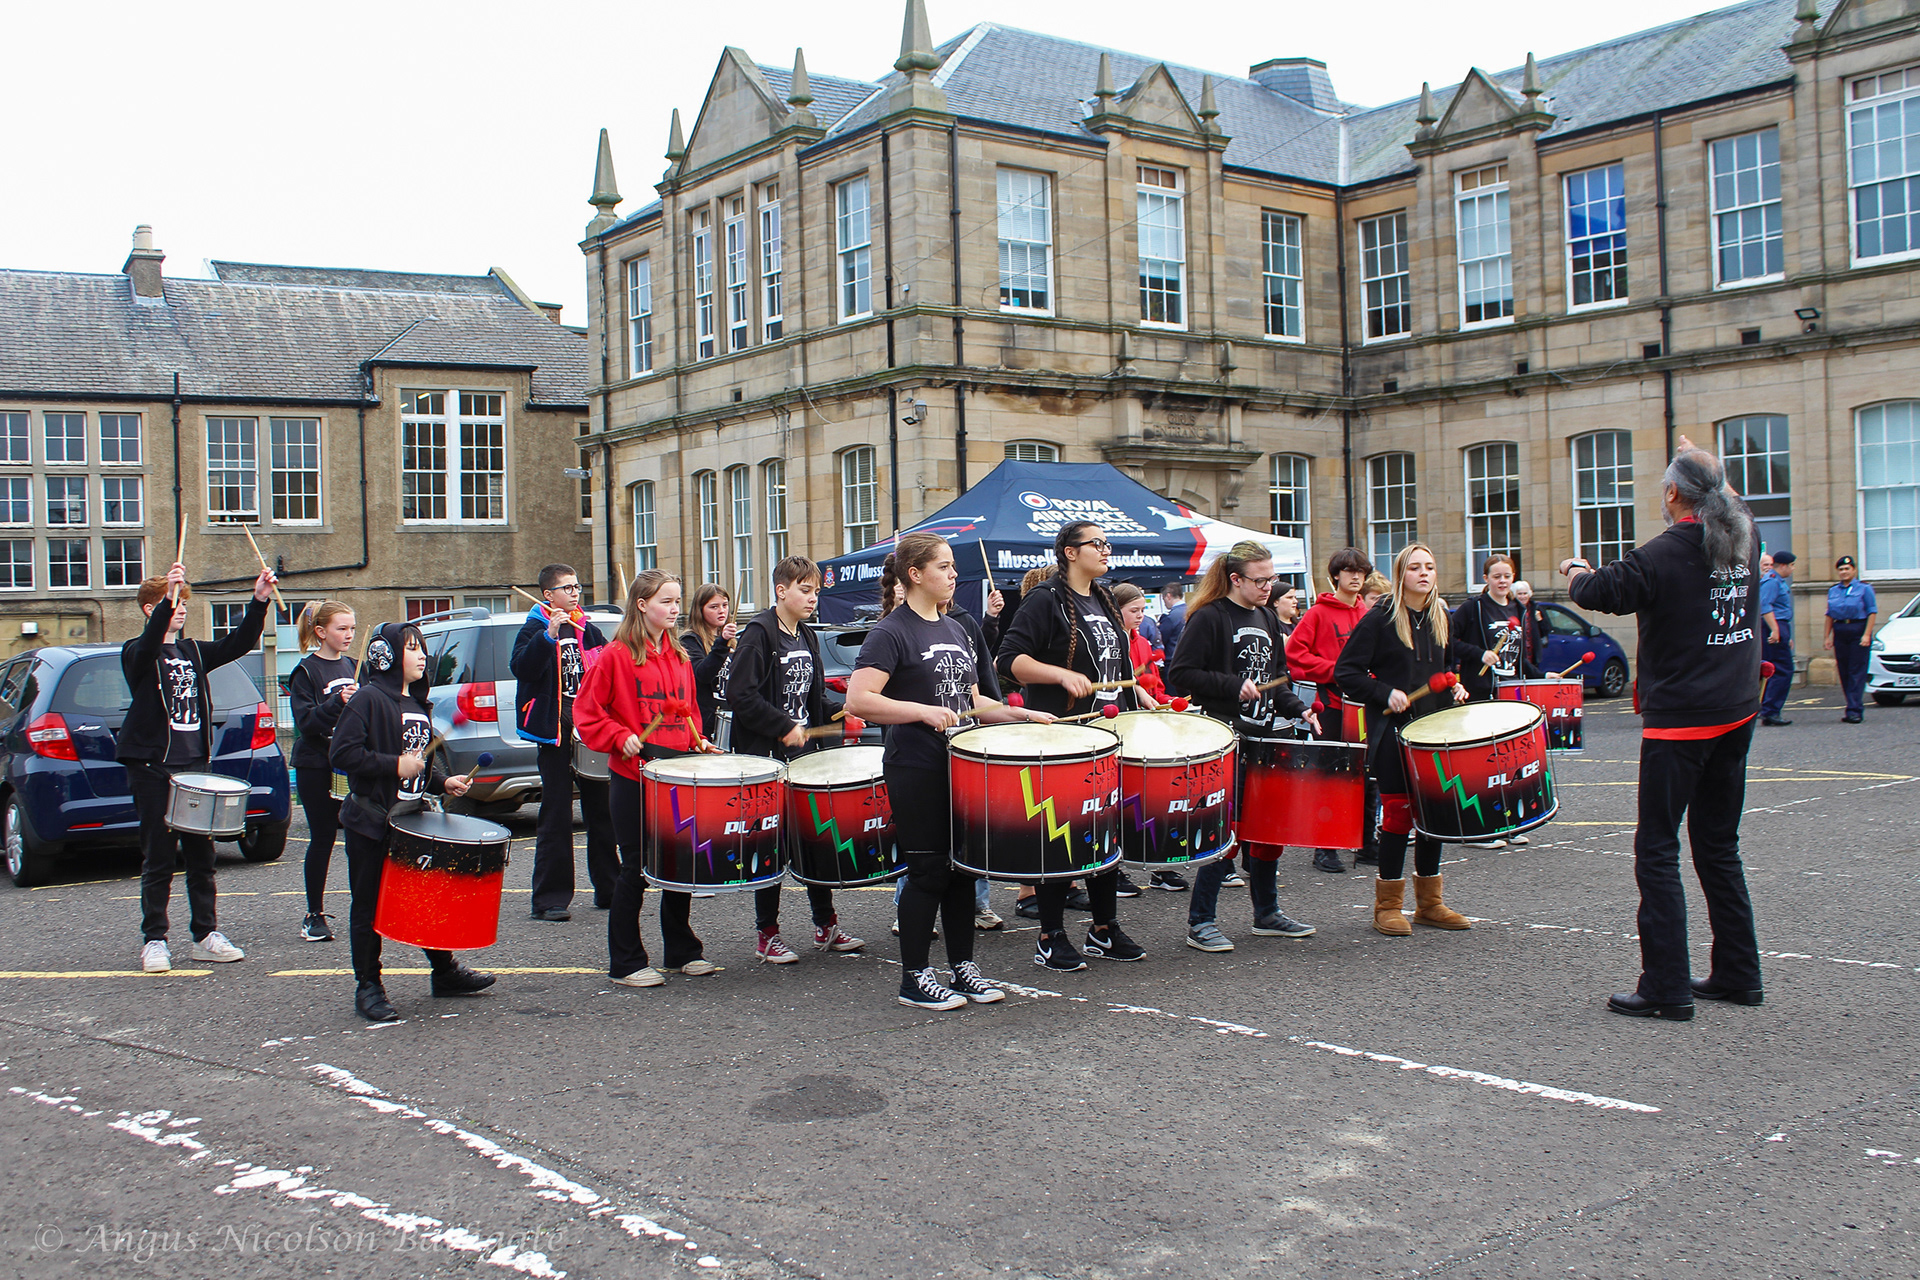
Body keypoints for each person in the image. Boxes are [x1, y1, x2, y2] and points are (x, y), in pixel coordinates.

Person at [1562, 439, 1765, 1020]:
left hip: (1683, 722)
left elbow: (1597, 591)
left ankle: (1666, 986)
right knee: (1719, 846)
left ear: (1672, 493)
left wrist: (1575, 570)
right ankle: (1738, 973)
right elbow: (1733, 501)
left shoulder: (1662, 553)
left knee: (1656, 850)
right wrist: (1709, 466)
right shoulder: (1745, 535)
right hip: (1736, 710)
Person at [848, 532, 1040, 1009]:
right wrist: (920, 711)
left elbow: (973, 701)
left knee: (961, 871)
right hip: (916, 766)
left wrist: (1019, 714)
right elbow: (859, 699)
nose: (954, 574)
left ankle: (963, 968)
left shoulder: (956, 628)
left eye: (953, 566)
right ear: (915, 574)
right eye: (944, 566)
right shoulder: (891, 631)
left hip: (962, 767)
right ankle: (914, 978)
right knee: (928, 871)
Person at [995, 521, 1149, 969]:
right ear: (1069, 552)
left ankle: (1103, 929)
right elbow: (1009, 660)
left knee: (1104, 834)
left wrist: (1136, 694)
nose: (1105, 550)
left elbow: (1115, 666)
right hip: (1062, 737)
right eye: (1096, 544)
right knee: (1061, 837)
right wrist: (1060, 674)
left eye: (1106, 543)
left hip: (1107, 736)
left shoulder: (1104, 598)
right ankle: (1051, 935)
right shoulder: (1045, 600)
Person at [330, 622, 494, 1021]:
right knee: (368, 906)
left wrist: (443, 781)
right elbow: (342, 754)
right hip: (372, 822)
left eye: (422, 648)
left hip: (411, 820)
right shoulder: (368, 699)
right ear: (385, 657)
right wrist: (393, 765)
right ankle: (368, 985)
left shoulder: (418, 703)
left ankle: (444, 972)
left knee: (426, 899)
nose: (422, 655)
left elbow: (418, 764)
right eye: (411, 648)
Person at [1167, 541, 1322, 952]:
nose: (1269, 586)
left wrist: (1300, 710)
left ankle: (1267, 913)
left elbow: (1278, 679)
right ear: (1235, 579)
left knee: (1269, 828)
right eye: (1261, 580)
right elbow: (1181, 673)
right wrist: (1232, 685)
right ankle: (1200, 922)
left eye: (1272, 578)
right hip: (1225, 738)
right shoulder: (1209, 617)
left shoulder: (1268, 617)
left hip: (1266, 737)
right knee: (1226, 832)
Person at [121, 562, 274, 973]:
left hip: (193, 765)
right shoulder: (136, 652)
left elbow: (238, 643)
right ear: (151, 609)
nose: (183, 608)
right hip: (153, 766)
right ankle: (154, 940)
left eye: (185, 602)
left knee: (201, 855)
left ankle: (205, 935)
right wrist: (165, 602)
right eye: (175, 602)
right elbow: (148, 645)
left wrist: (258, 600)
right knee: (159, 855)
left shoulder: (191, 651)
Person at [1336, 543, 1494, 939]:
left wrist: (1455, 685)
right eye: (1415, 567)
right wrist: (1384, 692)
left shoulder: (1441, 616)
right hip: (1393, 731)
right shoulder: (1380, 619)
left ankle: (1429, 903)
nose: (1424, 573)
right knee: (1399, 815)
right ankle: (1387, 906)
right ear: (1401, 574)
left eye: (1430, 566)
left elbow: (1445, 666)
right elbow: (1346, 672)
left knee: (1433, 815)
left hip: (1434, 730)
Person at [575, 569, 723, 987]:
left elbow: (689, 712)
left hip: (676, 776)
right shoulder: (616, 655)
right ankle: (626, 962)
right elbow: (587, 712)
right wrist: (618, 736)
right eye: (666, 602)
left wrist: (698, 741)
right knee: (635, 869)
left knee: (679, 865)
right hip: (634, 777)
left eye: (677, 601)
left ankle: (681, 950)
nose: (675, 609)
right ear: (642, 605)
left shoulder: (679, 656)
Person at [724, 555, 863, 962]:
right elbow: (740, 695)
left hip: (805, 758)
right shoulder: (759, 633)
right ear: (781, 591)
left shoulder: (806, 635)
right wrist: (782, 725)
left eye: (816, 591)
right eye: (805, 590)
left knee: (814, 840)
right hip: (767, 759)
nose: (813, 598)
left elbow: (812, 698)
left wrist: (841, 710)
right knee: (770, 845)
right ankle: (767, 935)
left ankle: (826, 925)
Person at [510, 564, 616, 922]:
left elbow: (607, 668)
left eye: (577, 587)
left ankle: (609, 888)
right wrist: (548, 636)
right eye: (567, 588)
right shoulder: (534, 628)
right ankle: (550, 899)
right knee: (556, 813)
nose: (574, 593)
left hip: (587, 728)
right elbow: (522, 669)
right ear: (548, 595)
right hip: (554, 729)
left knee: (601, 810)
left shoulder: (588, 628)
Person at [1287, 548, 1375, 873]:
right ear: (1336, 575)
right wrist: (1335, 671)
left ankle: (1366, 842)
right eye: (1349, 571)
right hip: (1332, 706)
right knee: (1330, 776)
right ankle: (1325, 848)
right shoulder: (1317, 614)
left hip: (1365, 705)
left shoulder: (1368, 614)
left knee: (1368, 775)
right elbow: (1294, 655)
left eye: (1361, 572)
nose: (1356, 577)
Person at [1451, 553, 1545, 850]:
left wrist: (1543, 675)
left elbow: (1518, 657)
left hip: (1509, 693)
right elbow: (1448, 641)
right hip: (1480, 692)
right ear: (1486, 579)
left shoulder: (1519, 608)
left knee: (1509, 761)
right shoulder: (1473, 608)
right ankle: (1477, 830)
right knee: (1483, 764)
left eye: (1507, 576)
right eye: (1497, 576)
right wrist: (1479, 654)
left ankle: (1508, 824)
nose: (1503, 581)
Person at [288, 599, 358, 942]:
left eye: (352, 628)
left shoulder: (355, 666)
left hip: (350, 764)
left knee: (359, 836)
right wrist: (336, 702)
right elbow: (306, 722)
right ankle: (313, 914)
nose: (349, 634)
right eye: (341, 628)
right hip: (316, 764)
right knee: (323, 836)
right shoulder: (306, 671)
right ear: (320, 631)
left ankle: (366, 907)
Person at [1826, 556, 1878, 724]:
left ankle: (1854, 710)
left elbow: (1872, 612)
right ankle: (1851, 705)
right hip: (1840, 630)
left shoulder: (1864, 589)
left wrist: (1867, 634)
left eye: (1847, 569)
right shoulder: (1834, 590)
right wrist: (1827, 636)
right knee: (1844, 671)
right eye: (1841, 569)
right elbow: (1829, 615)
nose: (1844, 572)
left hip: (1858, 629)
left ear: (1854, 570)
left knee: (1857, 671)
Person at [682, 584, 737, 742]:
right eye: (714, 607)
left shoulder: (734, 642)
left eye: (724, 605)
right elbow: (702, 674)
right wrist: (722, 644)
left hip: (730, 719)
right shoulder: (690, 641)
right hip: (706, 723)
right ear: (700, 610)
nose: (721, 611)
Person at [1758, 550, 1795, 726]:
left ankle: (1769, 710)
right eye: (1792, 565)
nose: (1793, 569)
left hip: (1779, 625)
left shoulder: (1776, 580)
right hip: (1774, 624)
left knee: (1778, 669)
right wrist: (1775, 630)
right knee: (1783, 669)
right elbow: (1765, 605)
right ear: (1783, 566)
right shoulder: (1772, 581)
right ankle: (1771, 710)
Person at [1159, 583, 1188, 696]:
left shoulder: (1171, 617)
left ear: (1168, 596)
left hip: (1173, 662)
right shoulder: (1194, 611)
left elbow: (1162, 639)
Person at [1512, 580, 1544, 668]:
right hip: (1517, 651)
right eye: (1519, 594)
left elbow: (1545, 631)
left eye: (1525, 593)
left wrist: (1540, 620)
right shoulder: (1512, 608)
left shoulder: (1536, 608)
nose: (1523, 597)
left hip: (1532, 652)